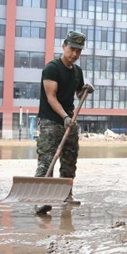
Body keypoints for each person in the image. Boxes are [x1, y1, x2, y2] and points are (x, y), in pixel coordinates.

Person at [34, 30, 94, 204]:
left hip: (69, 122)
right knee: (47, 160)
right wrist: (64, 117)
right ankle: (41, 199)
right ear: (64, 45)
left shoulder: (77, 71)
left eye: (78, 51)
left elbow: (78, 92)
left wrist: (85, 90)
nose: (74, 54)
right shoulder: (52, 68)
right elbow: (51, 97)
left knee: (69, 160)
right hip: (50, 121)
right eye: (72, 49)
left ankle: (65, 194)